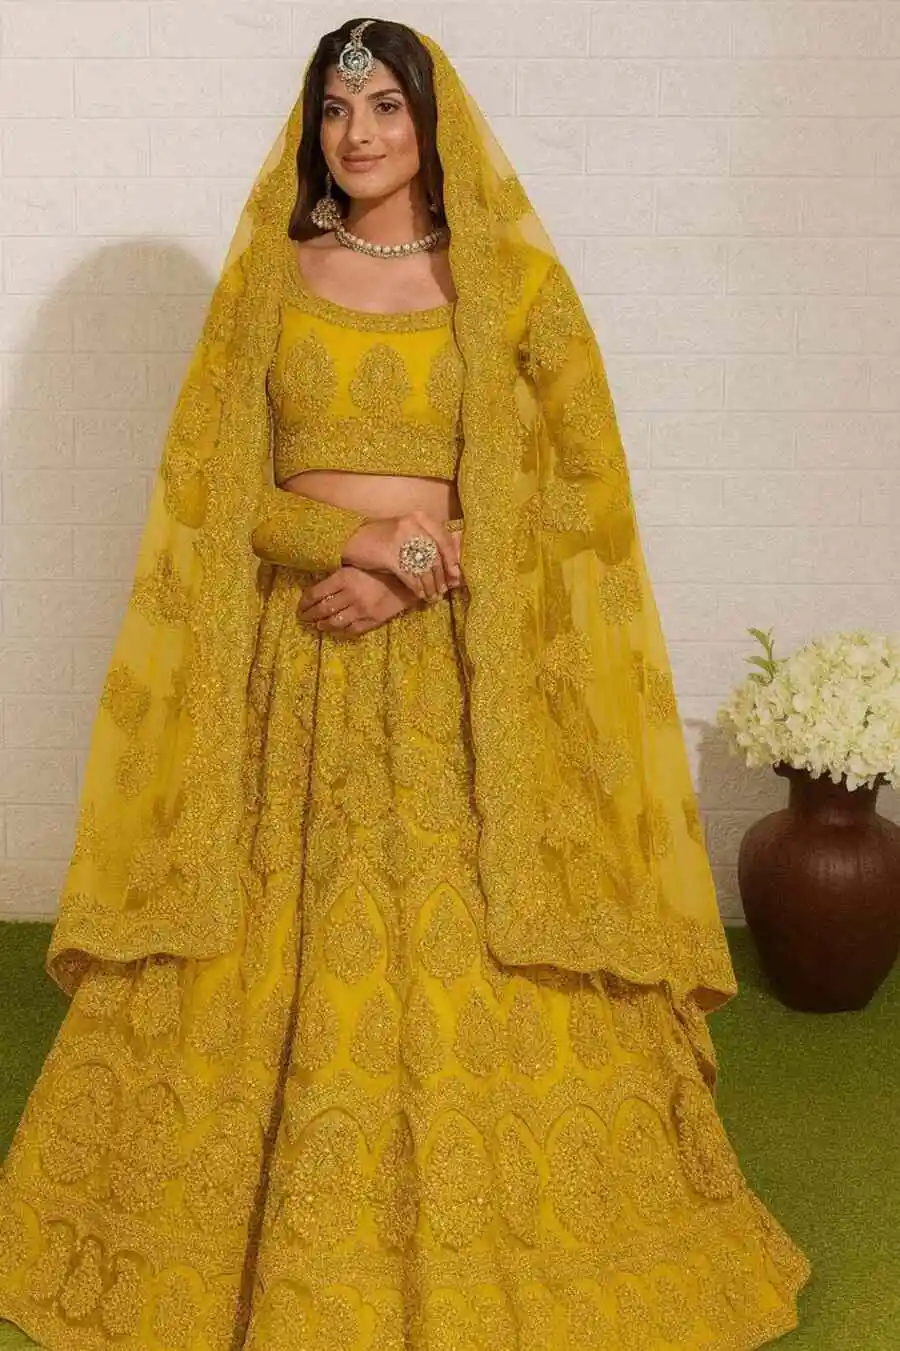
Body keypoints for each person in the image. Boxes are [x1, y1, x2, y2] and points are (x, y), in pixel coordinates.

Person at [0, 18, 812, 1350]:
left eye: (384, 105)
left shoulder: (513, 290)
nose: (359, 133)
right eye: (336, 109)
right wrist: (353, 542)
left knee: (471, 947)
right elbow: (215, 492)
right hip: (294, 665)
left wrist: (415, 565)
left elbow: (576, 498)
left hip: (460, 681)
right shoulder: (269, 280)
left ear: (434, 123)